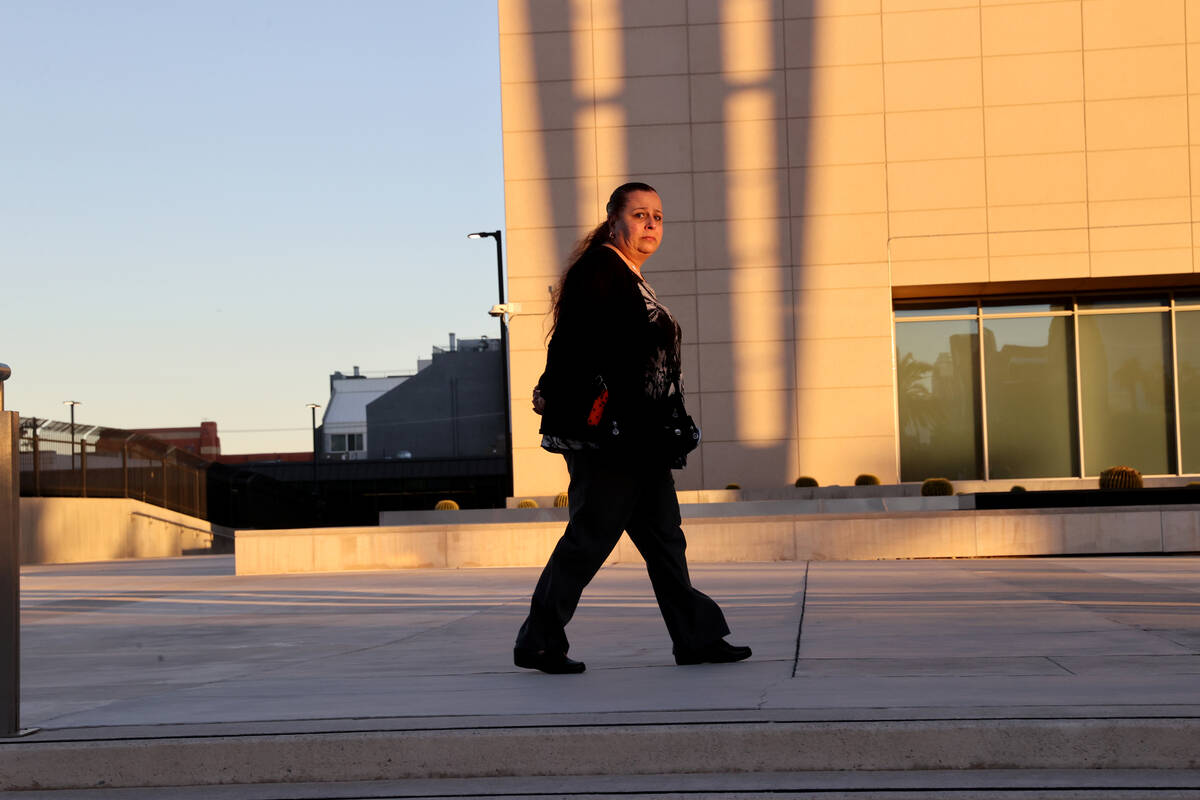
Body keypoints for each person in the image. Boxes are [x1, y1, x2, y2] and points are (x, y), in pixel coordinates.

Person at [513, 181, 752, 674]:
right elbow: (581, 349)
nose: (650, 225)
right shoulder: (600, 270)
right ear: (614, 221)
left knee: (665, 538)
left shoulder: (628, 275)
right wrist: (580, 409)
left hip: (642, 439)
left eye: (658, 217)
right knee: (591, 537)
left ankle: (695, 638)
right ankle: (538, 640)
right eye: (640, 215)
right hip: (614, 439)